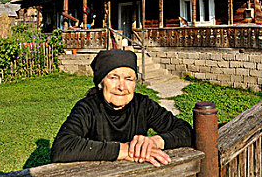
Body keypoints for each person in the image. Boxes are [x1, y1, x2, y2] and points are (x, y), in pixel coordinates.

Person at [51, 49, 192, 167]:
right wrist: (125, 149)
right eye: (113, 78)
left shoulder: (143, 105)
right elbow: (62, 147)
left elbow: (186, 131)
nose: (121, 87)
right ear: (101, 83)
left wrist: (154, 141)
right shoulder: (88, 108)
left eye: (129, 79)